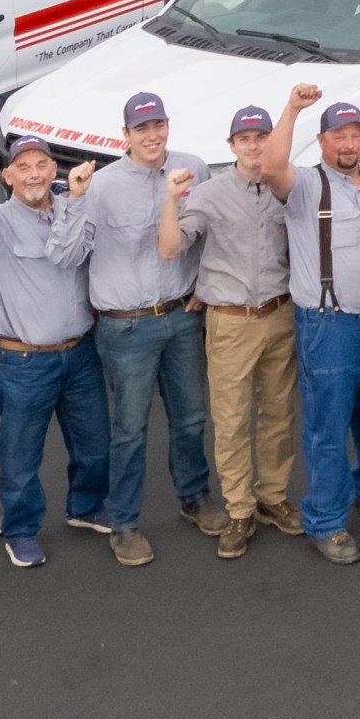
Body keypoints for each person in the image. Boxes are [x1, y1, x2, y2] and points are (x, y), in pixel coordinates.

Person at [261, 86, 360, 565]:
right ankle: (325, 520)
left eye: (355, 134)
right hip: (330, 325)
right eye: (339, 136)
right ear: (322, 141)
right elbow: (269, 167)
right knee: (328, 426)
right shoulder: (305, 185)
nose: (349, 144)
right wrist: (292, 110)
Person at [0, 133, 108, 568]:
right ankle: (21, 531)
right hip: (23, 361)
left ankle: (87, 507)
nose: (34, 174)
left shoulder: (72, 207)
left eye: (41, 165)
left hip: (79, 352)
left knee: (94, 443)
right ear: (8, 176)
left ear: (53, 170)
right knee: (21, 455)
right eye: (23, 167)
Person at [77, 92, 217, 567]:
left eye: (158, 125)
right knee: (130, 430)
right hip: (127, 327)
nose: (152, 136)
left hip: (181, 316)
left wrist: (206, 286)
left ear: (168, 126)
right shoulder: (101, 186)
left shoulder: (194, 167)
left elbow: (211, 233)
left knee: (192, 417)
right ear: (126, 136)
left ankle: (194, 497)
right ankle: (125, 523)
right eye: (142, 129)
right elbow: (75, 253)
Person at [170, 103, 299, 559]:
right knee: (231, 419)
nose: (253, 145)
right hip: (230, 321)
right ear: (231, 146)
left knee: (279, 412)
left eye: (261, 136)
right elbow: (175, 246)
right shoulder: (207, 194)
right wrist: (170, 201)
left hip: (279, 312)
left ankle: (272, 497)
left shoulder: (290, 187)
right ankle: (239, 509)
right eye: (244, 138)